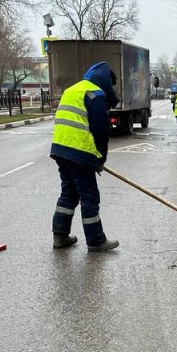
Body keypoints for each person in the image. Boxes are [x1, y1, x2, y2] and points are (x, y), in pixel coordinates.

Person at [50, 62, 120, 252]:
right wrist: (100, 158)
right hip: (78, 151)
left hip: (60, 148)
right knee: (89, 197)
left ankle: (60, 236)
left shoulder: (73, 89)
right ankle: (96, 241)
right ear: (106, 81)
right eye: (111, 84)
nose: (111, 89)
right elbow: (100, 131)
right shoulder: (94, 94)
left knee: (69, 193)